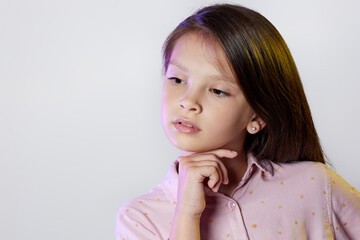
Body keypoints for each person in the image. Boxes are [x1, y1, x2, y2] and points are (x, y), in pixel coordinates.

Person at [116, 3, 360, 239]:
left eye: (218, 91)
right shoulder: (139, 218)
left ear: (257, 116)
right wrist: (187, 214)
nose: (188, 101)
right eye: (177, 80)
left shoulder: (315, 185)